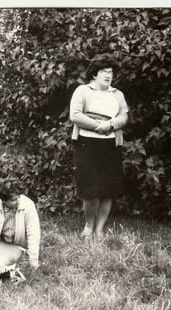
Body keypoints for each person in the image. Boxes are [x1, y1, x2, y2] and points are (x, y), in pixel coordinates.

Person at [69, 54, 129, 240]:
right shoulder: (82, 91)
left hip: (111, 144)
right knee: (90, 189)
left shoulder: (117, 94)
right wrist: (97, 126)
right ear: (94, 74)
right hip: (87, 143)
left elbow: (123, 116)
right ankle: (88, 225)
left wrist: (110, 126)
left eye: (110, 72)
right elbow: (75, 115)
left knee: (107, 189)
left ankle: (100, 229)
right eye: (104, 71)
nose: (108, 75)